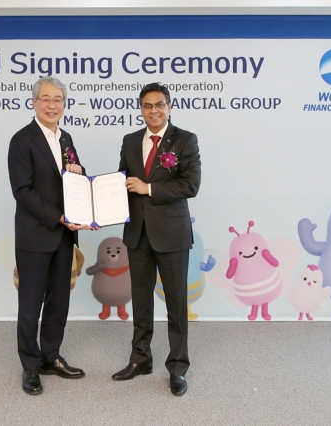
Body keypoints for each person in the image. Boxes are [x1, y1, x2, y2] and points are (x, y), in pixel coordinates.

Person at [113, 82, 201, 396]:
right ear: (141, 109)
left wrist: (149, 188)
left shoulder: (185, 140)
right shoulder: (130, 140)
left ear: (169, 106)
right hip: (137, 233)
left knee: (176, 303)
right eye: (148, 105)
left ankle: (177, 367)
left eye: (159, 105)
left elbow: (190, 185)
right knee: (141, 300)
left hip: (172, 234)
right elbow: (123, 182)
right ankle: (141, 359)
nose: (154, 110)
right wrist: (98, 209)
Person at [8, 76, 90, 395]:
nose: (52, 105)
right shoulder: (22, 140)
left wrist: (82, 182)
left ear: (64, 104)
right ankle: (30, 367)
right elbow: (23, 191)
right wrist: (60, 217)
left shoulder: (66, 137)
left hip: (64, 238)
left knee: (59, 302)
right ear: (34, 102)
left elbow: (75, 176)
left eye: (58, 99)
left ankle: (50, 357)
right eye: (46, 99)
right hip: (35, 236)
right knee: (30, 304)